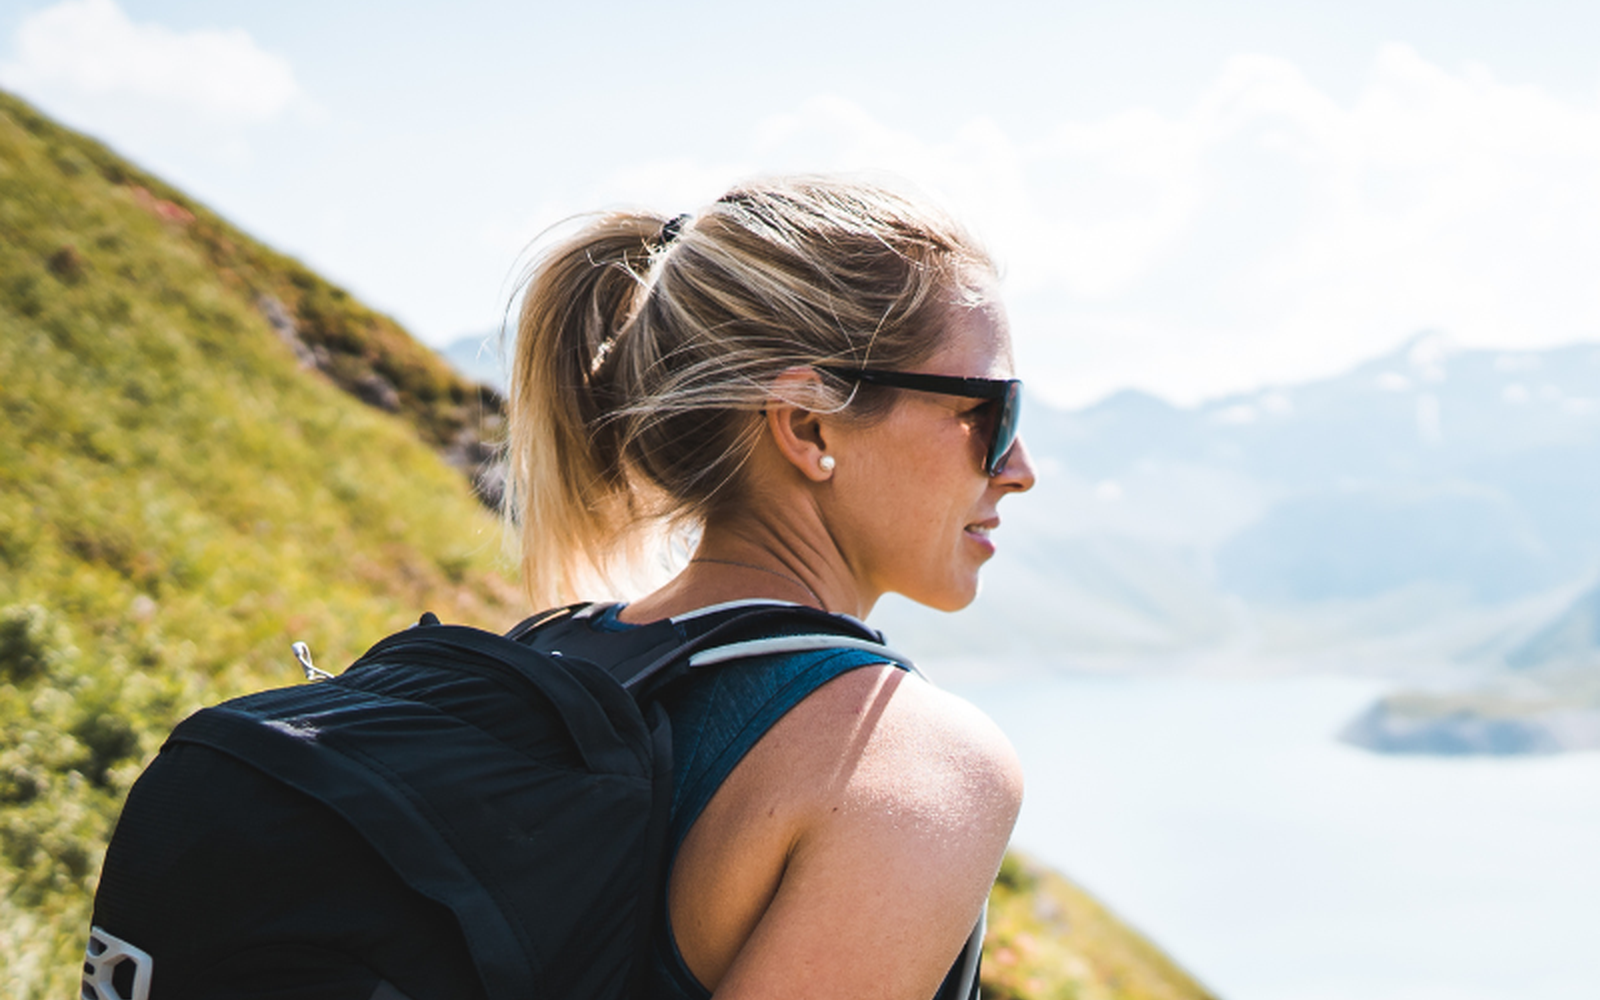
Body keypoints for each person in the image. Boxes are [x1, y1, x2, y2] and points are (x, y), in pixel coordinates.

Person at [505, 176, 1037, 1000]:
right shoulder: (917, 763)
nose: (1018, 470)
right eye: (990, 412)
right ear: (807, 424)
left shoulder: (538, 655)